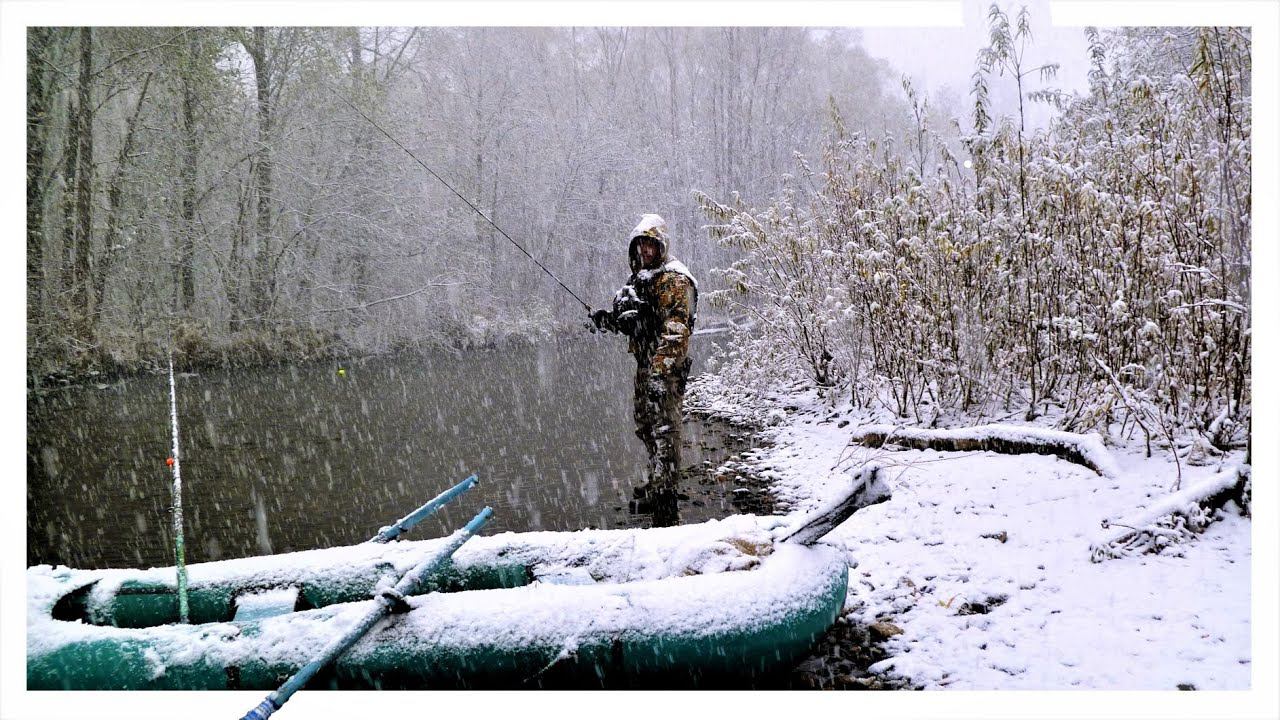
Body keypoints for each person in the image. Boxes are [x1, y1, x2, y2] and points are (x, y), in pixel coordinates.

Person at [591, 214, 697, 524]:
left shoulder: (675, 279)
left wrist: (660, 374)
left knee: (665, 429)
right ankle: (657, 482)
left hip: (667, 369)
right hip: (645, 366)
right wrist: (608, 321)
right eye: (641, 245)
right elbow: (635, 320)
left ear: (661, 246)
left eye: (651, 245)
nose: (646, 251)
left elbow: (676, 331)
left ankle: (665, 500)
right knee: (646, 425)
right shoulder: (640, 279)